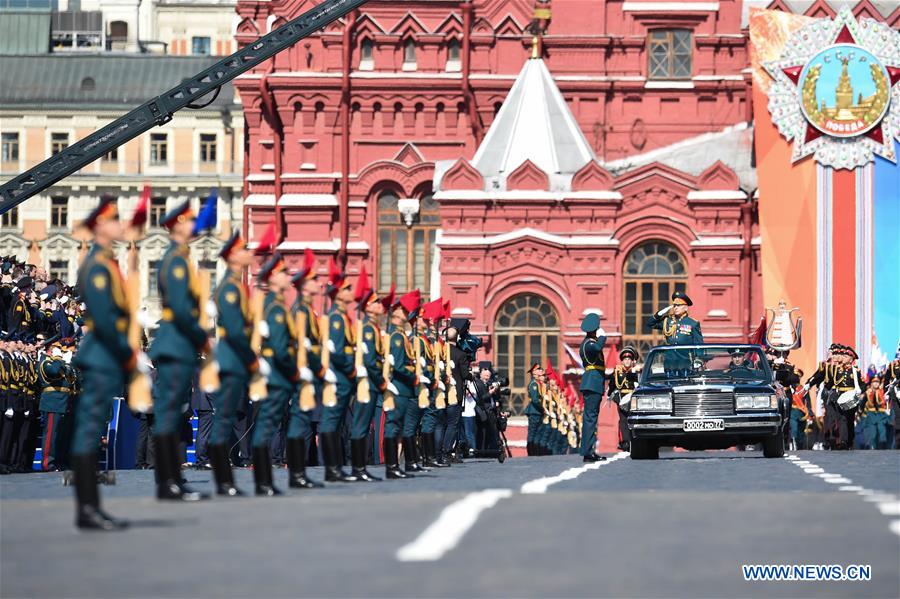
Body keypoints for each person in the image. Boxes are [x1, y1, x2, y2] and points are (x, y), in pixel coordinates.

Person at [69, 195, 138, 530]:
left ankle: (91, 507)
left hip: (107, 353)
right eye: (114, 221)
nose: (120, 225)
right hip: (102, 353)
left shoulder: (107, 262)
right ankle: (87, 509)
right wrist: (127, 354)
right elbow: (105, 316)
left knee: (93, 428)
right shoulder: (97, 265)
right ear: (100, 226)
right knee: (89, 431)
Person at [148, 200, 209, 501]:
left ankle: (173, 478)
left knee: (175, 414)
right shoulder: (175, 260)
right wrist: (203, 339)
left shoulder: (181, 258)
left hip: (180, 342)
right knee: (169, 414)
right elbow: (182, 308)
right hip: (175, 341)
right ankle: (167, 481)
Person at [208, 229, 266, 496]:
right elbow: (235, 329)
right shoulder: (230, 289)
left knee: (225, 418)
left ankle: (225, 481)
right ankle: (223, 481)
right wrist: (252, 362)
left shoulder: (235, 286)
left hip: (234, 359)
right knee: (223, 420)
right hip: (232, 359)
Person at [253, 252, 297, 495]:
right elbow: (280, 347)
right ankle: (263, 481)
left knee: (268, 424)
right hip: (276, 372)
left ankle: (264, 480)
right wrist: (294, 371)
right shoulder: (275, 307)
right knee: (267, 425)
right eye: (283, 273)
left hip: (276, 371)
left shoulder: (275, 305)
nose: (287, 277)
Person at [286, 249, 324, 489]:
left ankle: (300, 471)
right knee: (300, 423)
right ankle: (296, 471)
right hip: (301, 374)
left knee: (304, 422)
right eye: (313, 280)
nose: (317, 284)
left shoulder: (307, 310)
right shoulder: (300, 310)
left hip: (308, 374)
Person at [319, 261, 358, 482]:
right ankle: (331, 468)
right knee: (330, 421)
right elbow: (335, 350)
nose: (351, 292)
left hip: (343, 377)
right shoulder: (335, 318)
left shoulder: (342, 317)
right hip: (338, 376)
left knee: (336, 422)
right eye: (347, 288)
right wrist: (350, 369)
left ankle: (335, 468)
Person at [348, 269, 385, 481]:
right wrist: (381, 381)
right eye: (376, 302)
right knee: (361, 426)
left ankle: (360, 468)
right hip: (367, 383)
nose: (380, 305)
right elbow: (371, 361)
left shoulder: (372, 327)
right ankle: (358, 468)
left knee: (362, 426)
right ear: (368, 307)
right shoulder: (368, 329)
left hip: (370, 383)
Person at [384, 290, 419, 479]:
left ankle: (394, 466)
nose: (407, 314)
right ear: (396, 312)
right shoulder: (397, 336)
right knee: (394, 426)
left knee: (398, 426)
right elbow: (398, 366)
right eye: (404, 311)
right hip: (400, 387)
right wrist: (414, 377)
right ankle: (391, 466)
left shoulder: (399, 334)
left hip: (403, 388)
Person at [804, 344, 865, 450]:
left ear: (851, 359)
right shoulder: (837, 369)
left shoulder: (855, 371)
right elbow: (826, 379)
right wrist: (814, 384)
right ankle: (842, 441)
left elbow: (863, 384)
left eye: (845, 356)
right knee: (841, 418)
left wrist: (859, 392)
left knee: (849, 420)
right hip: (839, 396)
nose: (842, 357)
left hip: (851, 397)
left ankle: (849, 440)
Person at [645, 291, 703, 374]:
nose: (675, 308)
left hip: (685, 362)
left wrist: (698, 359)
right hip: (670, 363)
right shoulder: (667, 321)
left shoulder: (693, 323)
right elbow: (650, 324)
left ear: (686, 308)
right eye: (674, 305)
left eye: (679, 305)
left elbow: (699, 344)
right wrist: (659, 314)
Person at [38, 337, 73, 471]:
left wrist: (66, 363)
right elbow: (53, 372)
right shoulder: (45, 362)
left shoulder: (56, 363)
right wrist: (58, 359)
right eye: (56, 349)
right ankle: (47, 463)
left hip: (61, 401)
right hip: (52, 401)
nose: (59, 351)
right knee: (50, 435)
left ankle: (56, 461)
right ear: (50, 350)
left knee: (58, 435)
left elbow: (68, 376)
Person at [578, 312, 606, 462]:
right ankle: (588, 452)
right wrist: (602, 337)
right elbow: (598, 347)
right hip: (592, 383)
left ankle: (589, 451)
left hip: (594, 382)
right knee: (590, 418)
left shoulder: (589, 343)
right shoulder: (589, 344)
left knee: (591, 419)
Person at [444, 320, 470, 463]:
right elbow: (465, 374)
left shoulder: (440, 350)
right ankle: (447, 452)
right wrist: (471, 375)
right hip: (455, 393)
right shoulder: (461, 354)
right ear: (458, 338)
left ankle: (437, 453)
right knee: (453, 424)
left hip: (441, 393)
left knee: (440, 424)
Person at [609, 346, 640, 452]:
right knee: (623, 420)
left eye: (629, 359)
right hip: (622, 399)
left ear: (632, 361)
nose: (627, 361)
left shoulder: (635, 371)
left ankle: (635, 440)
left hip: (634, 398)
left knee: (634, 419)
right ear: (622, 361)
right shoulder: (618, 371)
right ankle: (625, 442)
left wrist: (633, 372)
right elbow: (613, 385)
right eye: (625, 359)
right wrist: (613, 396)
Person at [859, 374, 890, 449]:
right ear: (871, 383)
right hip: (871, 415)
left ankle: (883, 447)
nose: (876, 383)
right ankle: (873, 447)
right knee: (873, 433)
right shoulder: (868, 392)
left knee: (882, 431)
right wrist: (861, 412)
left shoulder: (882, 391)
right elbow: (863, 403)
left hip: (881, 414)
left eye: (877, 382)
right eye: (874, 382)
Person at [525, 363, 544, 456]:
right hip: (534, 411)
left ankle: (536, 451)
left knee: (537, 433)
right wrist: (543, 409)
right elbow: (535, 400)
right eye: (538, 369)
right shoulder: (533, 384)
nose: (541, 371)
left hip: (538, 411)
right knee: (532, 433)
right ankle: (531, 452)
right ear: (534, 372)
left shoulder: (538, 383)